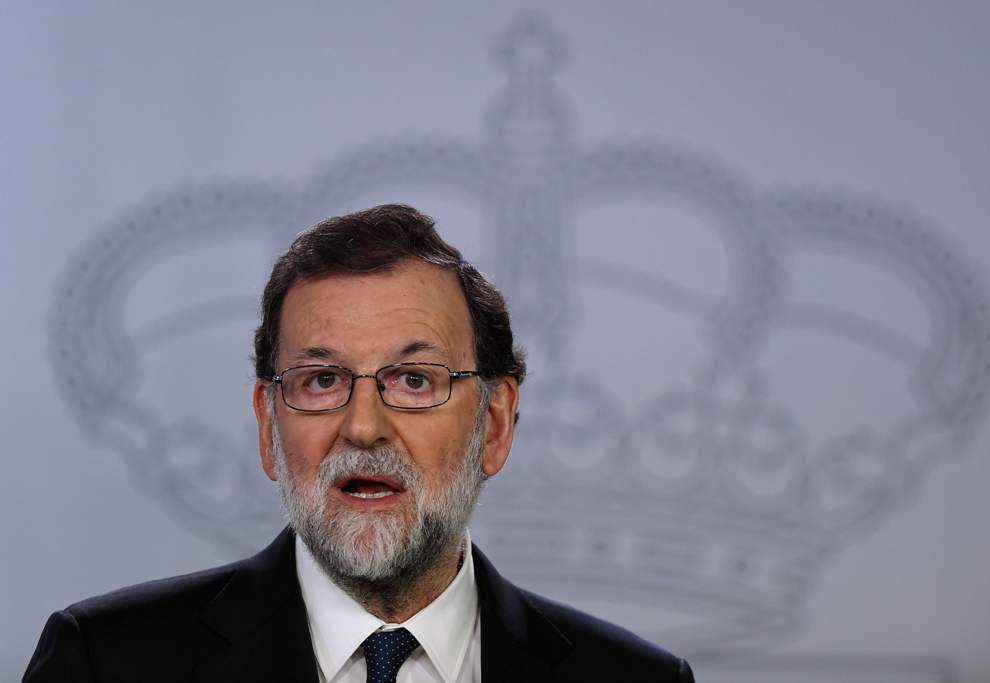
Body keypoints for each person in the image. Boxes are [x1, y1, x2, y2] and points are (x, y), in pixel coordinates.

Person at [23, 205, 695, 682]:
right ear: (268, 425)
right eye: (321, 379)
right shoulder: (105, 662)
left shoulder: (637, 677)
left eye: (413, 378)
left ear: (494, 423)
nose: (364, 425)